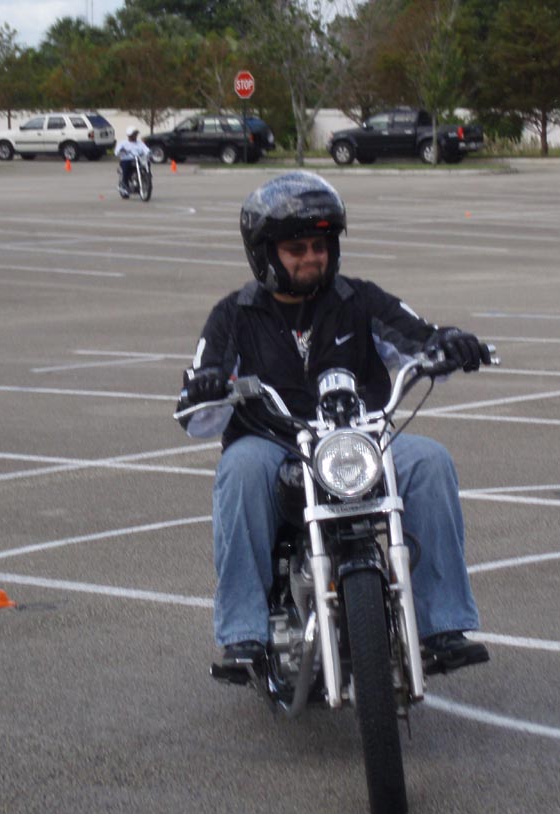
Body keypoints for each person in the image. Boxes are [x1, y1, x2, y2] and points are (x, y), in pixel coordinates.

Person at [177, 171, 492, 679]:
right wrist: (207, 386)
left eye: (319, 246)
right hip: (273, 443)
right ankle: (243, 634)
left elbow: (418, 338)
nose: (311, 258)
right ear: (265, 254)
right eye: (295, 248)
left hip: (359, 439)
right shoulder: (235, 315)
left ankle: (442, 626)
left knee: (430, 460)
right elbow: (198, 409)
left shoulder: (358, 300)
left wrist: (451, 344)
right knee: (239, 471)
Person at [114, 127, 151, 197]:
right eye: (134, 134)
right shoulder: (123, 143)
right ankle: (124, 184)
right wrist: (121, 151)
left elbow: (146, 149)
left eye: (136, 134)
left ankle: (147, 177)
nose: (135, 136)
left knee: (147, 162)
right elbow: (116, 152)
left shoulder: (140, 143)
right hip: (126, 160)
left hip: (138, 160)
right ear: (129, 135)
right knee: (126, 165)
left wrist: (149, 152)